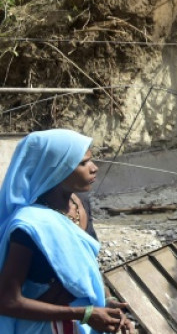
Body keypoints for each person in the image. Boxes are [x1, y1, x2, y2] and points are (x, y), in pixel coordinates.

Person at [0, 129, 134, 334]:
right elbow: (7, 300)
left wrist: (106, 301)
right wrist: (84, 314)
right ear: (56, 170)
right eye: (83, 163)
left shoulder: (81, 205)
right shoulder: (30, 226)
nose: (94, 168)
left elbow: (86, 266)